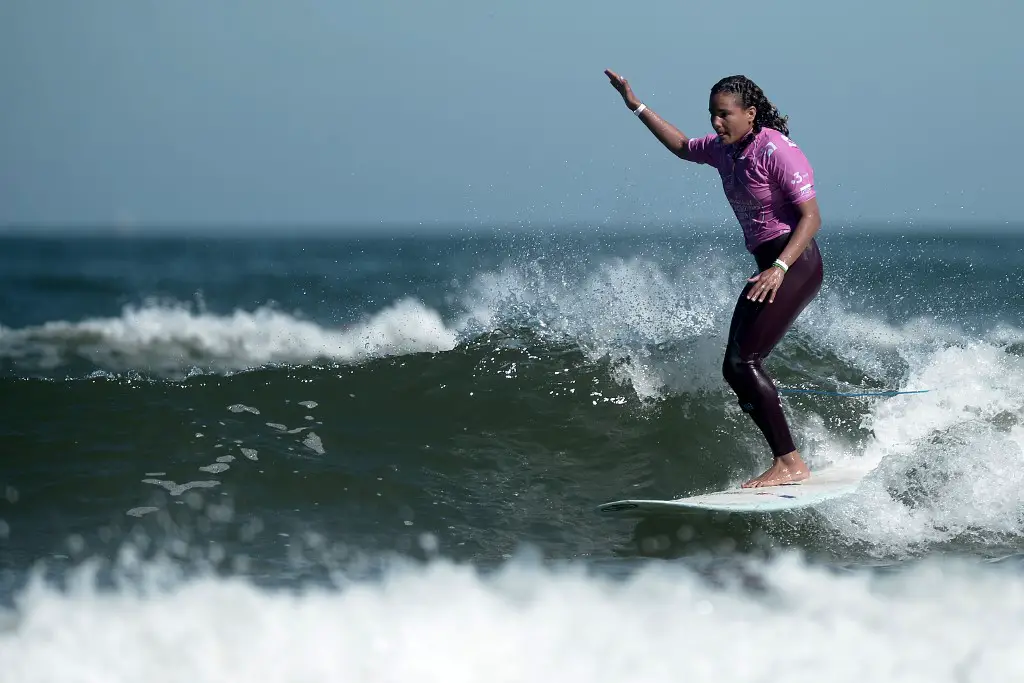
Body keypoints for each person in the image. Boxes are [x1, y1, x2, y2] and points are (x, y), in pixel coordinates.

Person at [605, 70, 823, 488]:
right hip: (768, 264)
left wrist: (778, 269)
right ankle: (787, 457)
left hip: (794, 262)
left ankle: (791, 464)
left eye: (724, 115)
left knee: (744, 361)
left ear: (750, 114)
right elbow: (683, 146)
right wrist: (636, 104)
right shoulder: (726, 151)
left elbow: (812, 218)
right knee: (735, 365)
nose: (715, 123)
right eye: (712, 115)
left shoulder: (775, 149)